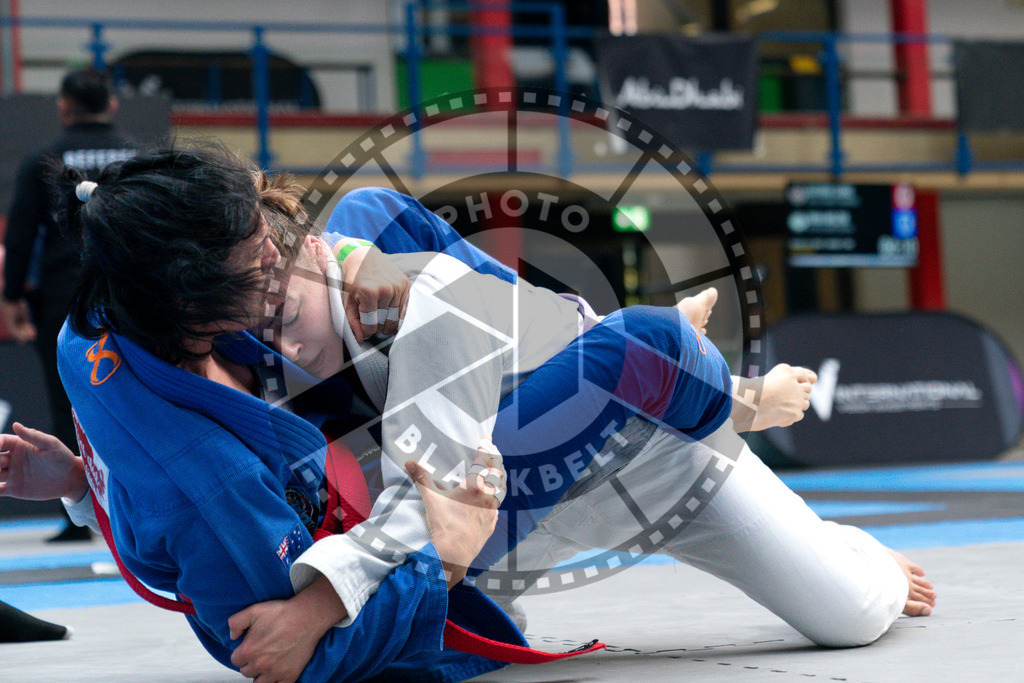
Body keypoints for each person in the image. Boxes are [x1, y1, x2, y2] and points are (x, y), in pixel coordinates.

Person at [3, 152, 935, 682]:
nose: (279, 262)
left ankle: (841, 538)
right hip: (492, 499)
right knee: (556, 351)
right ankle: (623, 353)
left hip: (599, 455)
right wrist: (89, 487)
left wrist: (320, 602)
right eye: (253, 265)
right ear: (189, 302)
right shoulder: (185, 357)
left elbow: (442, 482)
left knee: (850, 608)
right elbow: (180, 502)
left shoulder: (394, 278)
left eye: (272, 240)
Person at [1, 67, 136, 542]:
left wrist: (12, 298)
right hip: (134, 295)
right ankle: (146, 500)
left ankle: (77, 511)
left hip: (66, 298)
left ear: (64, 105)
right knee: (142, 392)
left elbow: (19, 238)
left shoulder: (44, 159)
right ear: (112, 104)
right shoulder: (140, 157)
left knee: (69, 398)